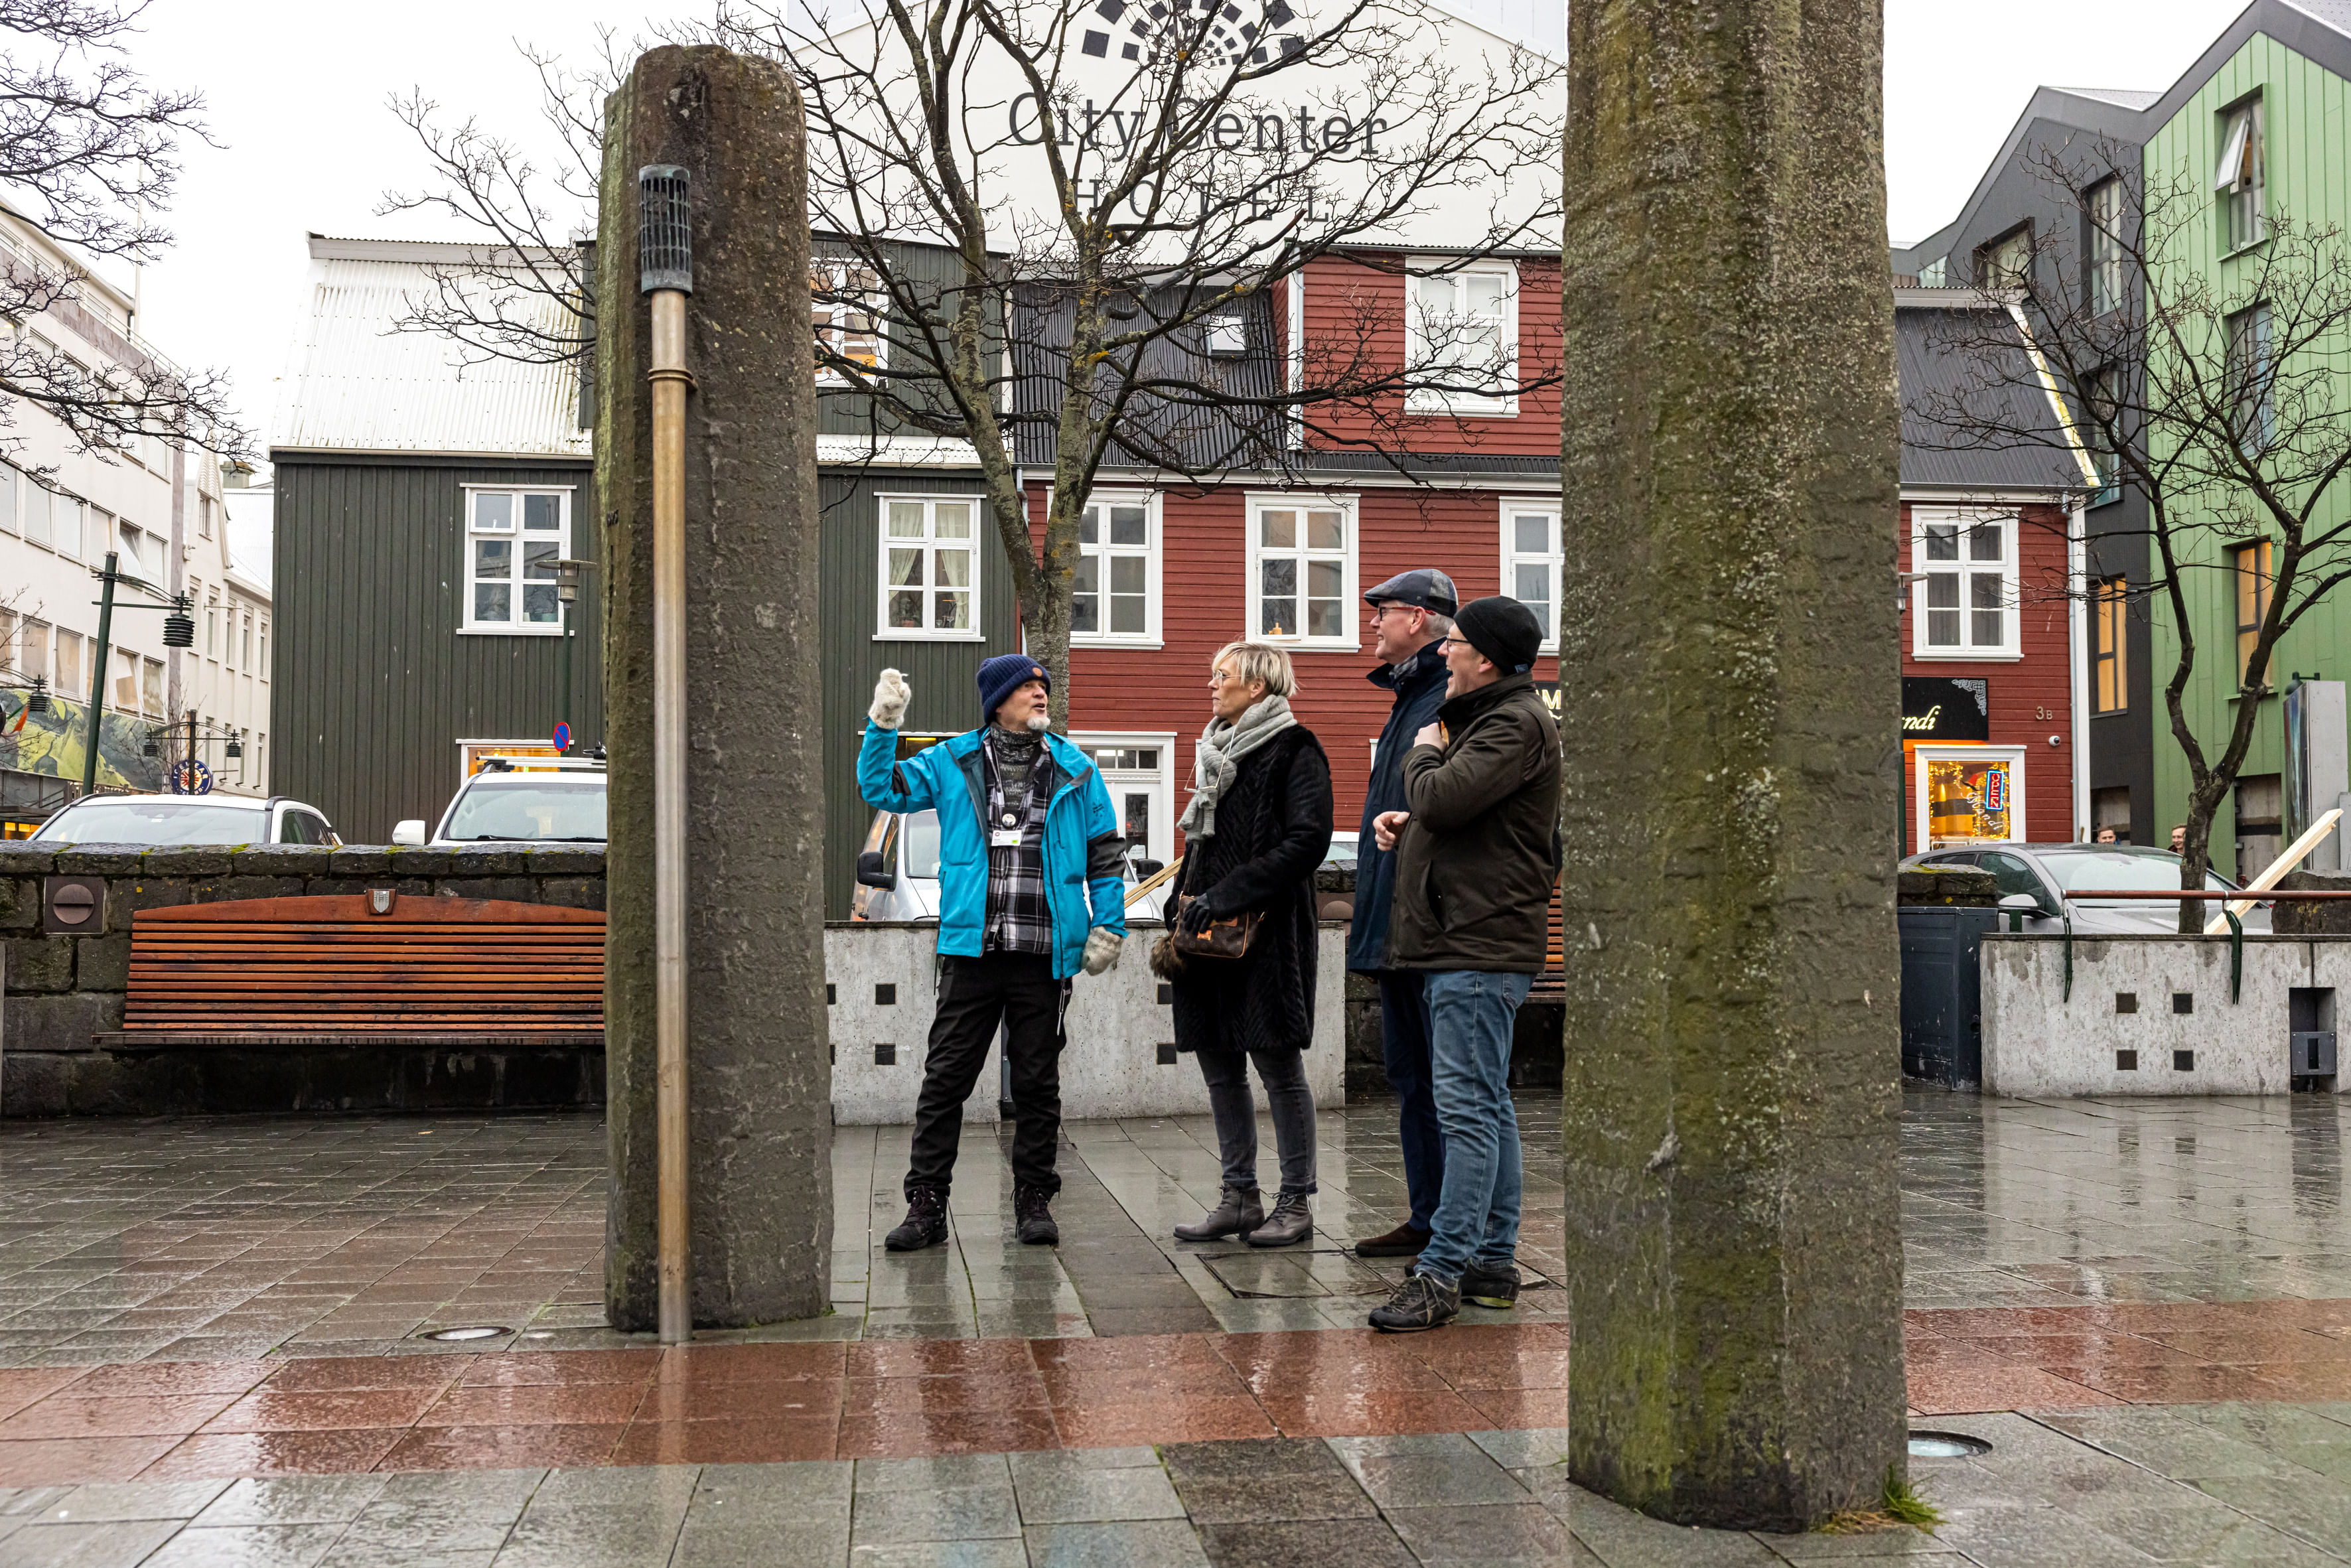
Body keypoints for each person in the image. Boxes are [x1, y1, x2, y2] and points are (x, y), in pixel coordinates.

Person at [859, 655, 1129, 1252]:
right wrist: (884, 725)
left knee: (1037, 1084)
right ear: (998, 700)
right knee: (945, 1080)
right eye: (1028, 687)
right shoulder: (951, 760)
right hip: (970, 949)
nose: (1040, 694)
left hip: (1045, 955)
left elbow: (1106, 853)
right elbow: (881, 788)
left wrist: (1109, 924)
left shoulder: (1075, 768)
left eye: (1043, 687)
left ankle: (1034, 1199)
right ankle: (926, 1204)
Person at [1366, 597, 1561, 1333]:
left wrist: (1420, 754)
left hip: (1475, 946)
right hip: (1470, 940)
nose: (1445, 653)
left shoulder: (1507, 722)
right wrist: (1410, 822)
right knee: (1488, 1105)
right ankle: (1489, 1263)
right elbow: (1475, 821)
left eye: (1457, 644)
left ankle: (1441, 1269)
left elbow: (1446, 797)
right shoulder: (1497, 722)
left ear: (1485, 657)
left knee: (1468, 1111)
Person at [1159, 643, 1334, 1248]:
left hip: (1266, 938)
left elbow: (1307, 841)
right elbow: (1204, 841)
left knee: (1279, 1070)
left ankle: (1295, 1201)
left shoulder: (1295, 749)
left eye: (1222, 675)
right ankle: (1239, 1197)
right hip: (1207, 937)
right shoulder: (1216, 751)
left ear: (1258, 686)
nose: (1212, 684)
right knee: (1219, 1068)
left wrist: (1228, 893)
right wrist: (1181, 893)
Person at [1346, 568, 1459, 1262]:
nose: (1373, 623)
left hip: (1430, 923)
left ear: (1417, 618)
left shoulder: (1444, 697)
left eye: (1382, 612)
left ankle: (1453, 1225)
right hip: (1394, 922)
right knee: (1411, 1079)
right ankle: (1426, 1214)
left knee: (1447, 1086)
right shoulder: (1407, 698)